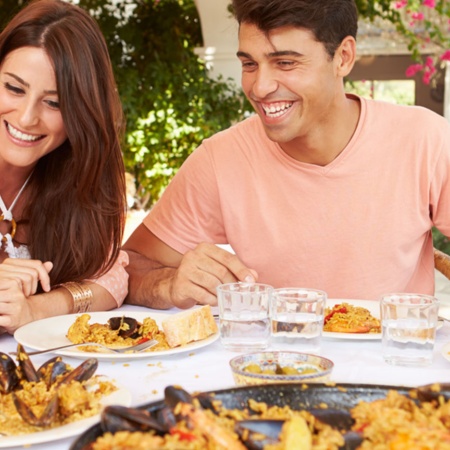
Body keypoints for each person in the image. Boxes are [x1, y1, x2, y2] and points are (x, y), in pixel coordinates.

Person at [123, 0, 450, 309]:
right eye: (249, 64)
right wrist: (169, 284)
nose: (260, 87)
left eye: (285, 62)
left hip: (396, 362)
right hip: (269, 366)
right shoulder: (221, 159)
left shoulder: (424, 139)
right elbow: (130, 266)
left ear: (343, 57)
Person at [0, 0, 129, 334]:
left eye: (54, 103)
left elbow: (113, 278)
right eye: (13, 88)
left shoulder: (81, 176)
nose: (27, 118)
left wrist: (36, 309)